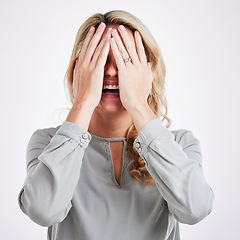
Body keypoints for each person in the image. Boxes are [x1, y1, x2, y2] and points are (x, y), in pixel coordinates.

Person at [18, 10, 214, 240]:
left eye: (125, 60)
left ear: (147, 72)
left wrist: (138, 104)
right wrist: (83, 101)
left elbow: (196, 209)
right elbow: (43, 211)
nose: (111, 71)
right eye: (99, 59)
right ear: (79, 70)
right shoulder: (48, 144)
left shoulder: (180, 145)